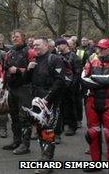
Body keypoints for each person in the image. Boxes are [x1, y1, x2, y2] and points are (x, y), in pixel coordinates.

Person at [26, 38, 65, 173]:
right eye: (34, 45)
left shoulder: (55, 59)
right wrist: (28, 69)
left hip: (50, 101)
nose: (35, 47)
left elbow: (60, 81)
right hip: (37, 100)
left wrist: (48, 98)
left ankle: (48, 162)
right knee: (40, 128)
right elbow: (27, 80)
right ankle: (44, 157)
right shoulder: (35, 60)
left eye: (38, 45)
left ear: (46, 46)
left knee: (48, 130)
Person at [81, 38, 109, 172]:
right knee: (92, 133)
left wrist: (93, 79)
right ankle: (95, 163)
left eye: (103, 48)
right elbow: (83, 78)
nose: (99, 50)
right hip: (92, 100)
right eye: (98, 47)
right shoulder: (91, 59)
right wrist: (103, 82)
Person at [2, 29, 36, 155]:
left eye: (17, 36)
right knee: (14, 116)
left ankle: (25, 144)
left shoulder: (30, 52)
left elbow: (34, 71)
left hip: (25, 88)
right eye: (12, 37)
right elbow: (5, 69)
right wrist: (4, 85)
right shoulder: (9, 52)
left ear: (23, 38)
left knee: (25, 117)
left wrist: (18, 70)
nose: (14, 38)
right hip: (12, 88)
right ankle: (16, 141)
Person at [55, 38, 82, 137]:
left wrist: (71, 86)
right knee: (60, 107)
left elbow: (77, 74)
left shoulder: (75, 57)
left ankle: (72, 126)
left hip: (71, 87)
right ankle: (61, 126)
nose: (58, 46)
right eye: (57, 45)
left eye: (60, 44)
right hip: (60, 85)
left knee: (71, 106)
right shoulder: (57, 57)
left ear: (66, 45)